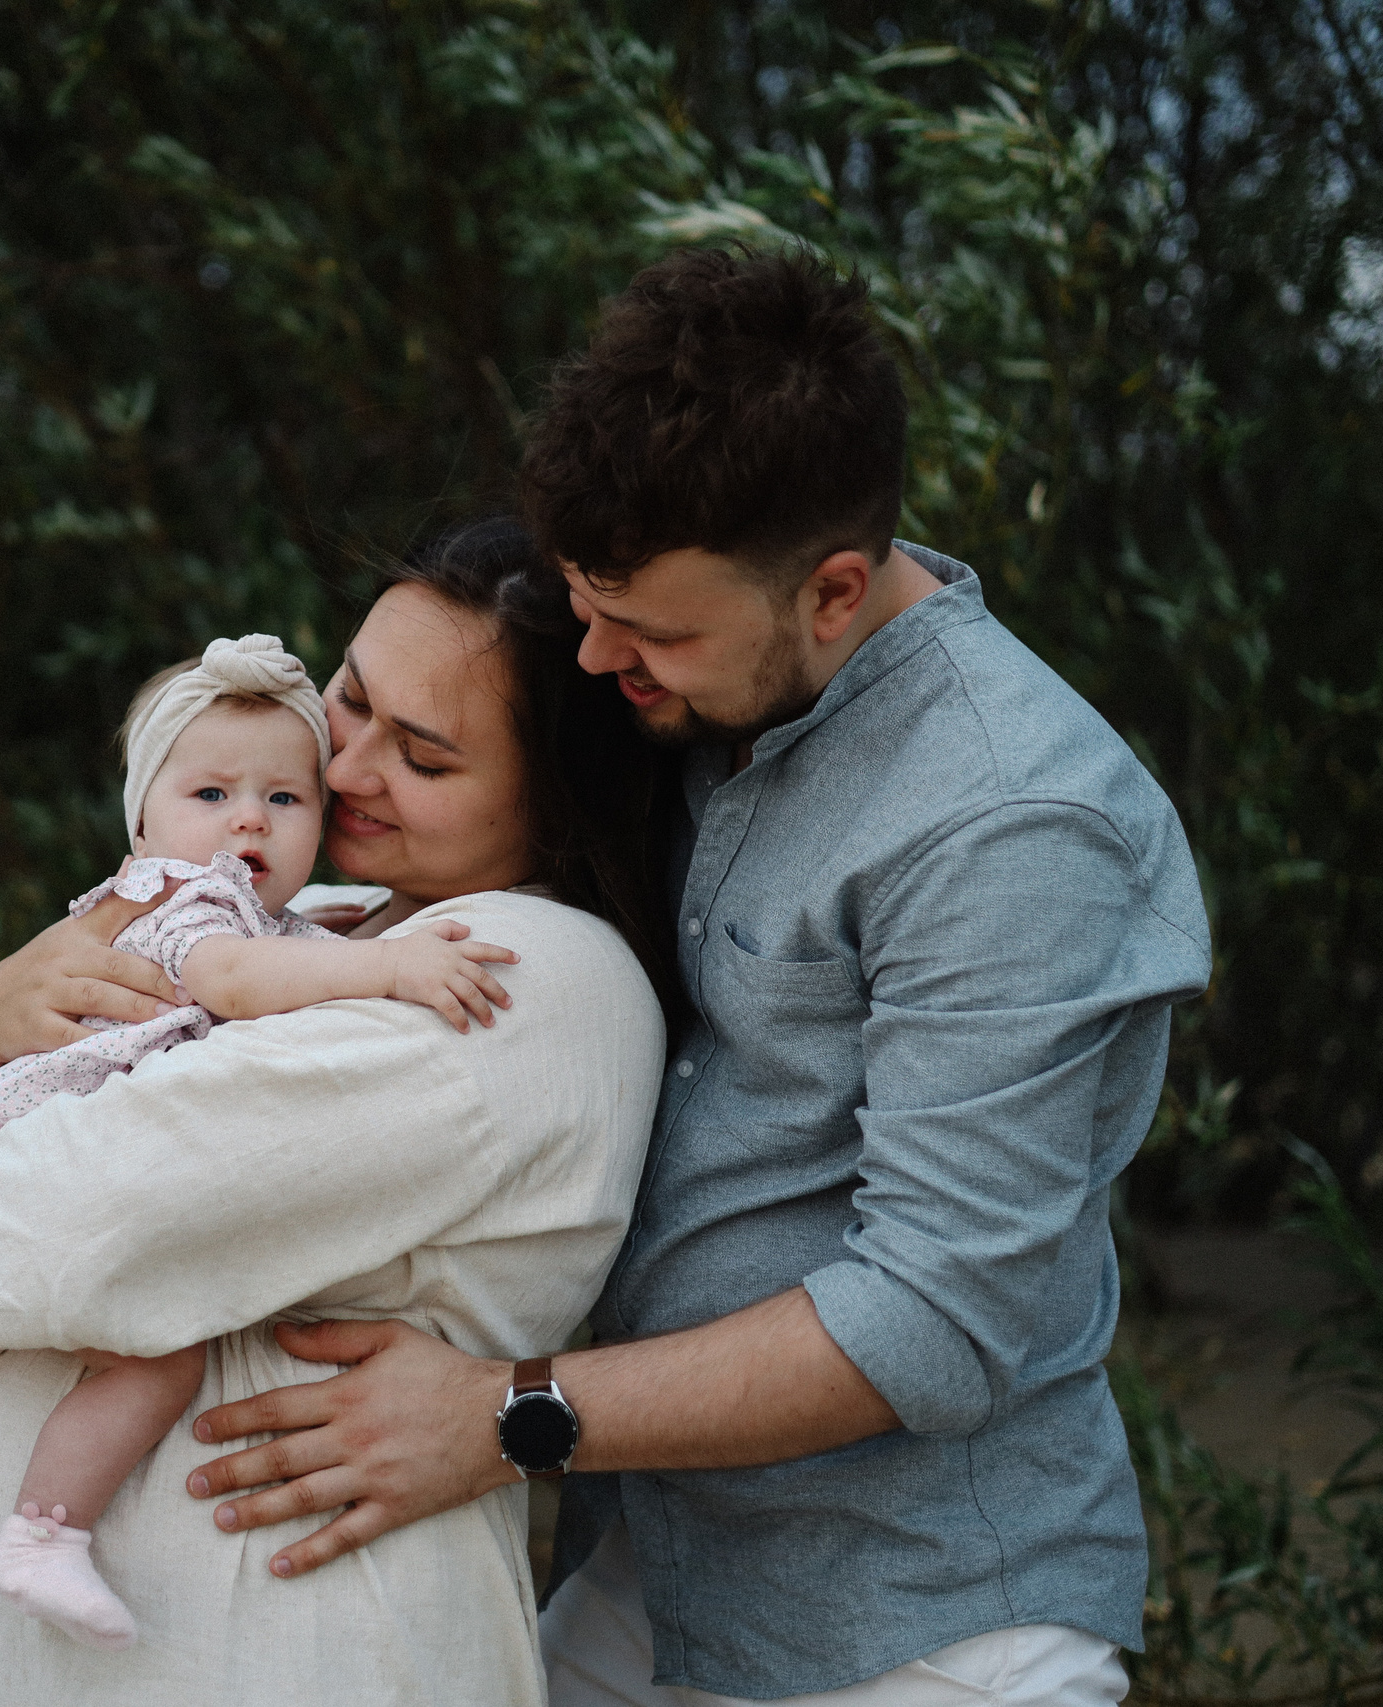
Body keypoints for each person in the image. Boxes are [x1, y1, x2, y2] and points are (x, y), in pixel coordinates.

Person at [181, 247, 1214, 1706]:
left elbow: (928, 1317)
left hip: (914, 1627)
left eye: (649, 628)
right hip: (650, 1568)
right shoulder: (697, 685)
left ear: (836, 588)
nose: (598, 656)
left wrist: (501, 1415)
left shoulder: (1007, 821)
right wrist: (68, 969)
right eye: (591, 605)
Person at [0, 519, 682, 1704]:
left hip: (267, 1646)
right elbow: (16, 1115)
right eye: (351, 701)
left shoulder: (525, 974)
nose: (339, 770)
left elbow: (100, 1202)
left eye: (423, 760)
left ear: (557, 807)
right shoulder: (317, 918)